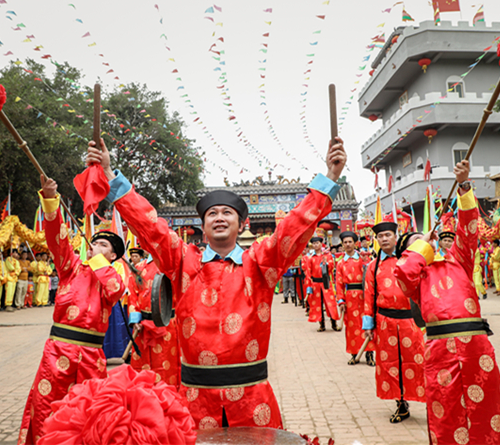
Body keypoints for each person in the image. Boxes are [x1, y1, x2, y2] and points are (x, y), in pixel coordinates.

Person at [91, 136, 347, 430]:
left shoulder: (261, 263)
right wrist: (110, 174)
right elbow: (151, 226)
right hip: (194, 402)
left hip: (253, 401)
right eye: (212, 213)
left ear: (242, 224)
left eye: (228, 213)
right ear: (203, 226)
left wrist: (330, 176)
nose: (220, 218)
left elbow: (296, 224)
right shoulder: (183, 262)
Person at [395, 160, 500, 445]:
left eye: (427, 238)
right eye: (416, 243)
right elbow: (404, 271)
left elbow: (469, 228)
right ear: (411, 251)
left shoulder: (459, 260)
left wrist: (465, 186)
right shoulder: (414, 278)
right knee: (447, 411)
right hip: (440, 348)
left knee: (491, 407)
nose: (427, 242)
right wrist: (422, 245)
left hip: (476, 344)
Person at [18, 175, 126, 445]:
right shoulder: (71, 268)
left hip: (92, 355)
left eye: (104, 246)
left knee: (90, 410)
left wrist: (99, 261)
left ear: (112, 255)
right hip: (58, 351)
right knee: (48, 406)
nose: (95, 247)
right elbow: (57, 239)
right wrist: (51, 198)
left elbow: (115, 290)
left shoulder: (111, 275)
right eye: (95, 243)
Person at [362, 221, 425, 423]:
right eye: (380, 236)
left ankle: (428, 400)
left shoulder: (409, 261)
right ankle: (401, 404)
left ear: (395, 237)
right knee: (390, 365)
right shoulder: (373, 267)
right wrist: (368, 325)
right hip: (384, 321)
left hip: (409, 320)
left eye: (388, 235)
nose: (384, 239)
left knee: (416, 361)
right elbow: (369, 295)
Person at [127, 248, 180, 388]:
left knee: (169, 367)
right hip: (143, 327)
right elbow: (133, 296)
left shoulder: (177, 266)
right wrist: (135, 320)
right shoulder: (138, 268)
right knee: (142, 369)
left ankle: (169, 401)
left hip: (169, 325)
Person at [334, 231, 372, 366]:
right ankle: (354, 354)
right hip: (349, 297)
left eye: (350, 241)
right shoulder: (340, 263)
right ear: (342, 244)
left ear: (355, 243)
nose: (348, 244)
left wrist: (366, 261)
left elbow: (369, 276)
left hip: (364, 295)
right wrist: (341, 300)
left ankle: (369, 354)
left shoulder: (362, 258)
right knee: (351, 326)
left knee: (366, 323)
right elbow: (338, 284)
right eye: (345, 242)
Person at [305, 236, 339, 332]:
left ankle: (334, 323)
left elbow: (332, 267)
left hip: (326, 282)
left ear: (321, 244)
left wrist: (327, 264)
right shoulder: (310, 258)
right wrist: (309, 286)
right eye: (314, 243)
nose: (316, 245)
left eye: (317, 243)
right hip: (315, 283)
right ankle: (322, 324)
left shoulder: (327, 255)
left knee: (330, 303)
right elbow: (308, 272)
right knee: (317, 305)